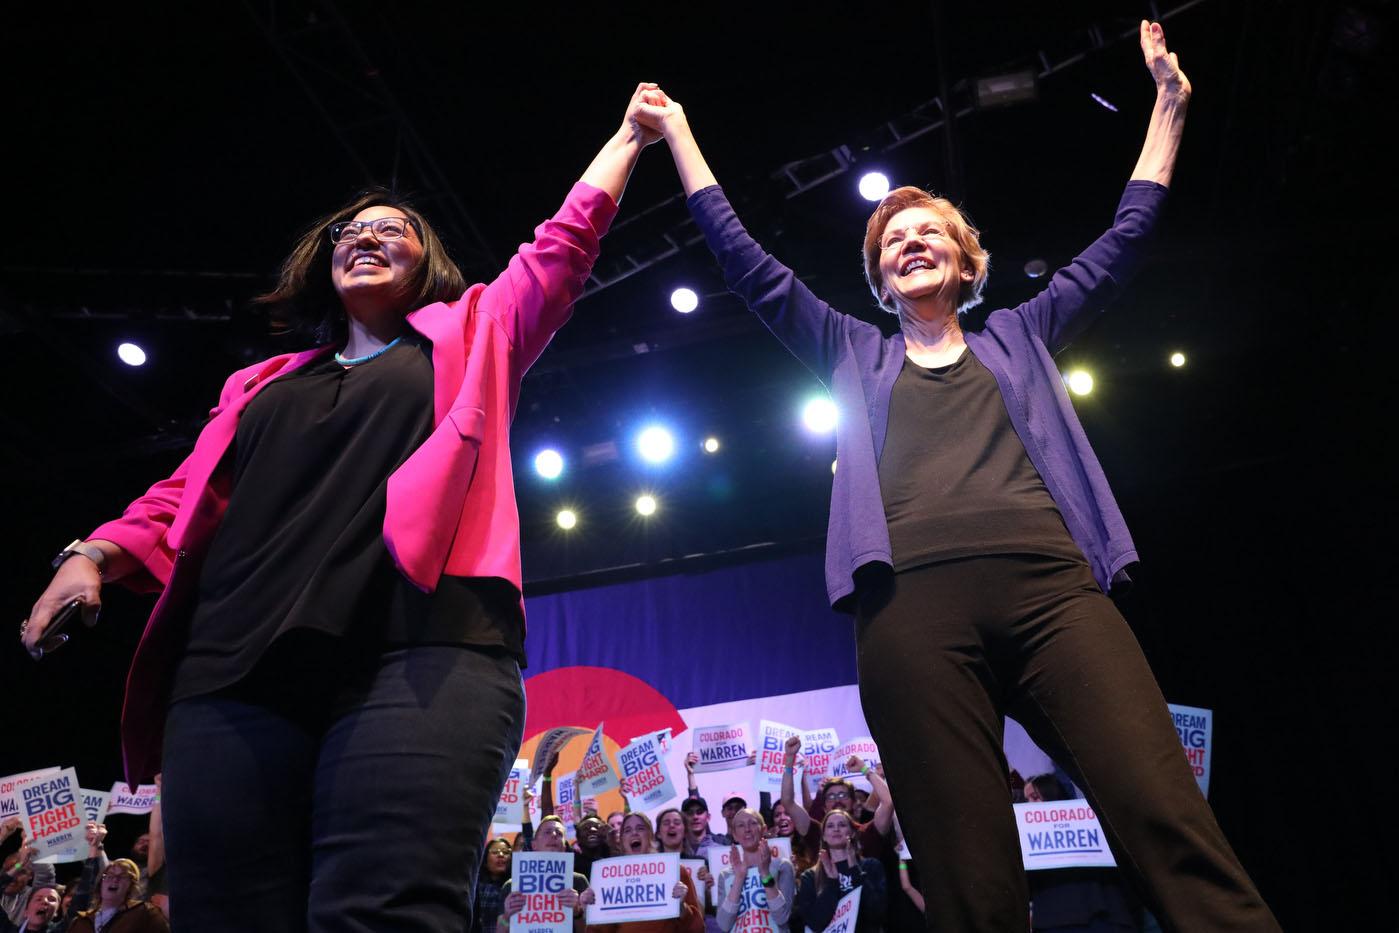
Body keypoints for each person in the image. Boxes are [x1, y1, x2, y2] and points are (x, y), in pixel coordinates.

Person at [637, 22, 1279, 932]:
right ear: (879, 273)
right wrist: (681, 137)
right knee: (968, 875)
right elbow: (746, 264)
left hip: (1055, 593)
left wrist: (1169, 108)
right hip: (911, 613)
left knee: (1162, 812)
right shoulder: (849, 352)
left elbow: (1126, 236)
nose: (911, 242)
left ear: (963, 257)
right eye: (893, 238)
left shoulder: (1020, 333)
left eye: (929, 231)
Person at [21, 83, 667, 931]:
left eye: (389, 228)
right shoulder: (256, 386)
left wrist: (627, 137)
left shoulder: (475, 333)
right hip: (232, 674)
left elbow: (561, 248)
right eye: (346, 231)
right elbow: (180, 497)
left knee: (381, 914)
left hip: (419, 652)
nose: (363, 235)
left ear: (424, 260)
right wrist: (91, 554)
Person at [588, 813, 704, 933]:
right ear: (622, 841)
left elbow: (698, 929)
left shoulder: (675, 871)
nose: (634, 833)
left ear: (650, 836)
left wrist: (682, 907)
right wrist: (592, 907)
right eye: (627, 830)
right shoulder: (609, 878)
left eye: (640, 828)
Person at [792, 811, 886, 933]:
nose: (836, 829)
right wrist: (831, 883)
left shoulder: (870, 866)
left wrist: (854, 871)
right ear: (824, 836)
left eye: (842, 825)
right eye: (830, 826)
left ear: (852, 833)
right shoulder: (810, 876)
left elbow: (877, 913)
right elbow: (814, 923)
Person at [499, 816, 591, 933]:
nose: (554, 835)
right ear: (534, 845)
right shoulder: (512, 886)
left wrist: (577, 912)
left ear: (564, 846)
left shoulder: (579, 881)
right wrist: (507, 917)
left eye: (559, 833)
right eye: (547, 832)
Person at [715, 809, 794, 933]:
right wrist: (739, 877)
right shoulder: (725, 875)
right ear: (734, 835)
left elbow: (782, 917)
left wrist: (765, 873)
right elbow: (724, 925)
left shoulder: (782, 866)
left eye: (752, 823)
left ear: (763, 830)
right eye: (741, 825)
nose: (747, 829)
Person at [66, 861, 167, 933]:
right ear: (100, 883)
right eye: (109, 875)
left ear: (131, 886)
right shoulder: (80, 921)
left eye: (122, 876)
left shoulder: (145, 913)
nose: (114, 880)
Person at [472, 837, 512, 933]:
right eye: (495, 852)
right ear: (485, 859)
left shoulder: (515, 887)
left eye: (506, 852)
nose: (501, 855)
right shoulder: (475, 888)